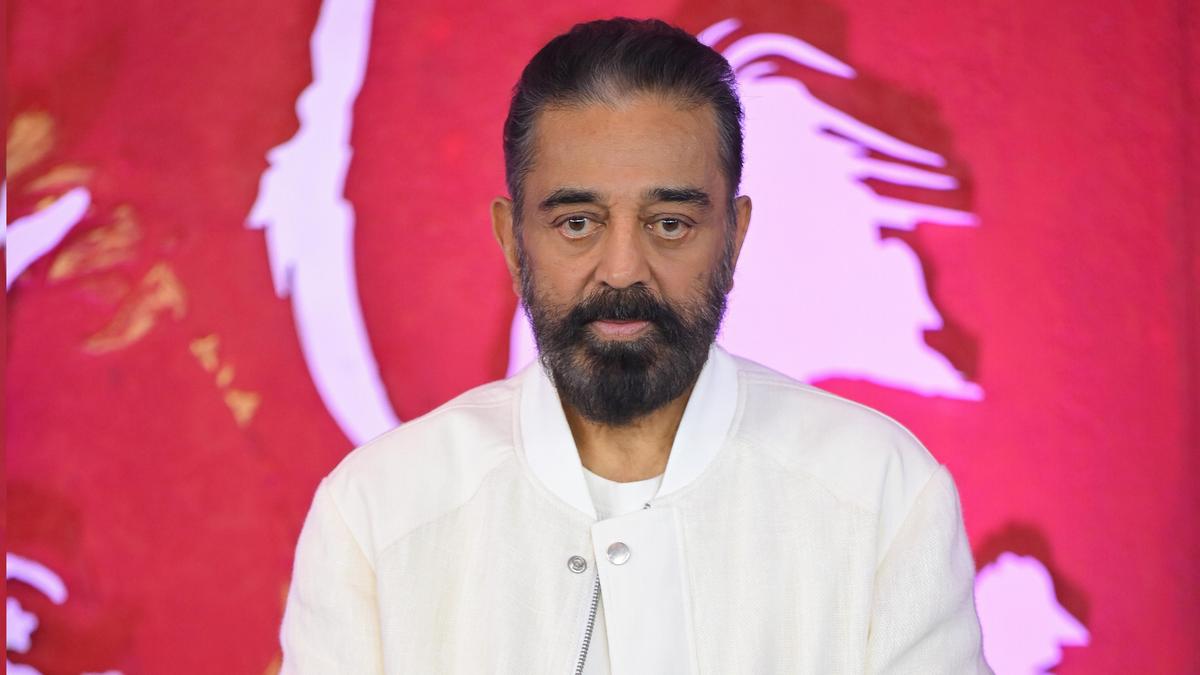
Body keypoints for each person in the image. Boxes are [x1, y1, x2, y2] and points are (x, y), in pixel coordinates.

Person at [279, 17, 991, 674]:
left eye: (670, 223)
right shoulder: (379, 511)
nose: (622, 269)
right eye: (578, 223)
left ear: (734, 237)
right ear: (512, 240)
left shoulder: (881, 494)